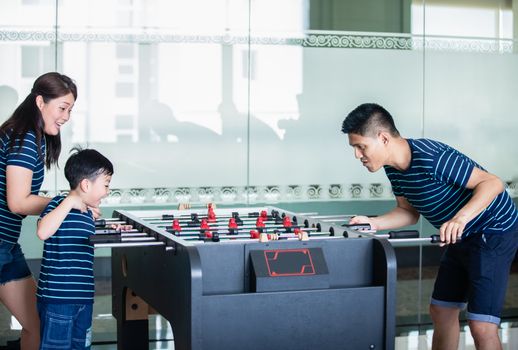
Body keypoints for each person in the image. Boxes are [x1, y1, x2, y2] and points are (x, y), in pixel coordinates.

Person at [341, 103, 518, 350]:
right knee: (441, 311)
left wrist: (460, 218)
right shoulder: (394, 170)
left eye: (361, 147)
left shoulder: (430, 156)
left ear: (382, 138)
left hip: (493, 232)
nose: (357, 155)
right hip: (461, 235)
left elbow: (492, 183)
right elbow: (408, 213)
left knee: (481, 325)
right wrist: (374, 223)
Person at [0, 72, 77, 350]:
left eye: (70, 109)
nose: (66, 116)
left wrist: (66, 202)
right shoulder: (25, 138)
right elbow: (18, 202)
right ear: (41, 102)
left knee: (37, 324)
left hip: (6, 246)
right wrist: (68, 201)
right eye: (63, 107)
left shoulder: (32, 136)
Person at [36, 148, 127, 349]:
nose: (107, 191)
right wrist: (68, 202)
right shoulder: (59, 204)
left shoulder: (87, 213)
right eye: (106, 185)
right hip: (58, 301)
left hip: (84, 299)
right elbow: (43, 232)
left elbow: (85, 241)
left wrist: (111, 228)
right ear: (86, 184)